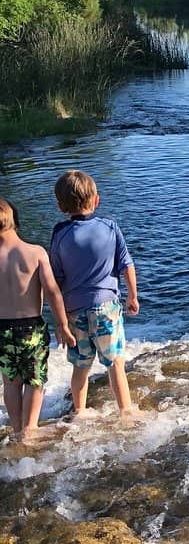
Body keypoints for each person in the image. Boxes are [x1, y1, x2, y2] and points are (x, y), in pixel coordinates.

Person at [50, 171, 140, 418]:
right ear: (96, 200)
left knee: (81, 367)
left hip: (75, 311)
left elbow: (55, 280)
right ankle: (126, 412)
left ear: (60, 206)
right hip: (106, 308)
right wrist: (133, 296)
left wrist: (59, 318)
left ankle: (79, 412)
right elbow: (126, 264)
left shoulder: (59, 234)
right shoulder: (109, 226)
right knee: (115, 364)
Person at [0, 197, 76, 441]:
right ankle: (30, 429)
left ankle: (15, 430)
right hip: (30, 329)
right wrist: (62, 324)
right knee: (34, 380)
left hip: (2, 331)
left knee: (11, 383)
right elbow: (53, 291)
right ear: (16, 223)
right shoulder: (35, 253)